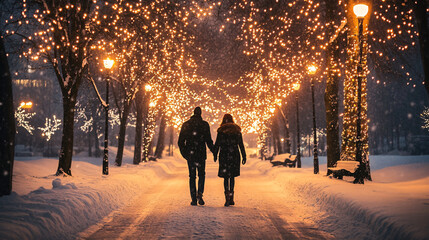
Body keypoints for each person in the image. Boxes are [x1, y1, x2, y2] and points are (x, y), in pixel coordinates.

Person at [178, 107, 214, 206]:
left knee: (192, 176)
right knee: (201, 174)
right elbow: (208, 141)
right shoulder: (204, 125)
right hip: (201, 154)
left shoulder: (186, 125)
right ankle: (200, 193)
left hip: (191, 154)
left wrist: (185, 154)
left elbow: (181, 142)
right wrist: (214, 151)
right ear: (200, 114)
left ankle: (193, 198)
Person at [213, 114, 246, 207]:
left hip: (224, 154)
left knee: (225, 176)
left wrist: (215, 154)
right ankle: (231, 196)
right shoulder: (237, 130)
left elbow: (217, 144)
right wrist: (244, 156)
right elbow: (241, 144)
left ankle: (226, 196)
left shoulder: (221, 131)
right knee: (232, 176)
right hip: (234, 154)